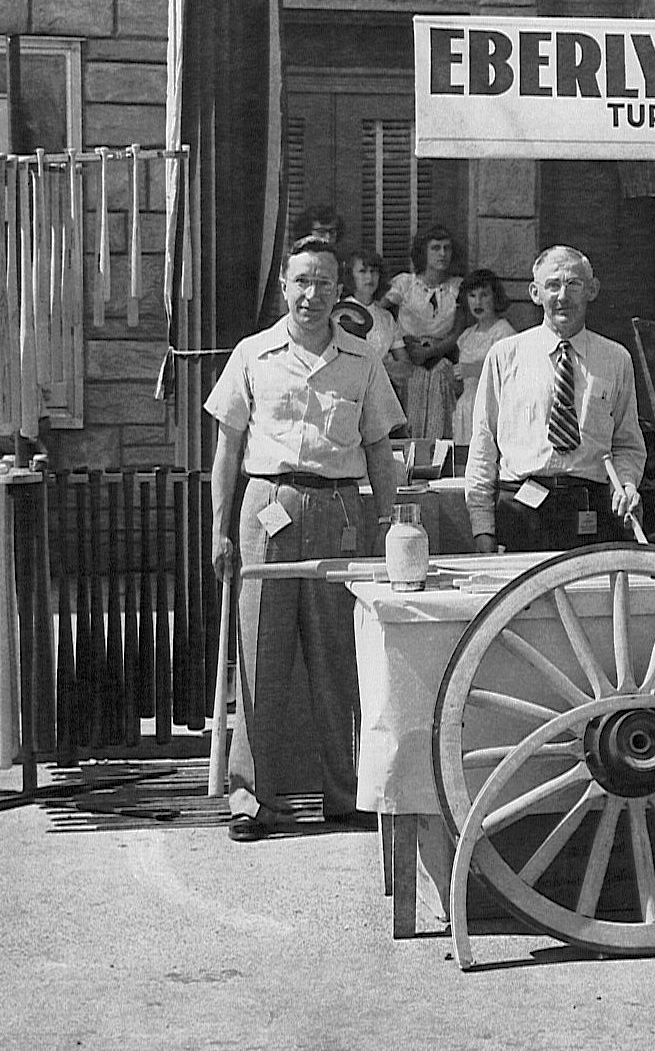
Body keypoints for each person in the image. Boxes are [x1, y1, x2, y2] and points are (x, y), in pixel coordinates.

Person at [206, 235, 404, 841]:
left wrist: (389, 524)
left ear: (339, 290)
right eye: (300, 281)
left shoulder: (362, 360)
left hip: (340, 509)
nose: (310, 294)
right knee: (261, 655)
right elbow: (228, 447)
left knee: (338, 658)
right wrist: (218, 528)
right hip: (267, 504)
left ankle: (345, 795)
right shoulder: (252, 354)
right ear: (285, 287)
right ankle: (250, 797)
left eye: (323, 282)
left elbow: (378, 447)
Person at [465, 245, 646, 553]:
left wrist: (626, 485)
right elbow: (483, 447)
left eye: (573, 284)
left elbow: (627, 444)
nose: (563, 296)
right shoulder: (505, 356)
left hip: (591, 514)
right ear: (535, 293)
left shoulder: (616, 359)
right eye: (553, 285)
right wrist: (483, 529)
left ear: (592, 290)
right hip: (521, 511)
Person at [383, 224, 463, 440]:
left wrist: (431, 351)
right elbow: (378, 314)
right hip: (408, 360)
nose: (442, 254)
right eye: (435, 248)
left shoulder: (457, 287)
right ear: (423, 252)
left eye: (447, 248)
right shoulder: (405, 284)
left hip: (441, 359)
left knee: (441, 420)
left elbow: (458, 332)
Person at [452, 268, 516, 450]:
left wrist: (473, 370)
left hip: (490, 407)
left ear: (495, 297)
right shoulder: (466, 336)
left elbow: (509, 375)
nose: (477, 302)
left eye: (484, 295)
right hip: (466, 407)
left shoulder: (504, 332)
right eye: (472, 296)